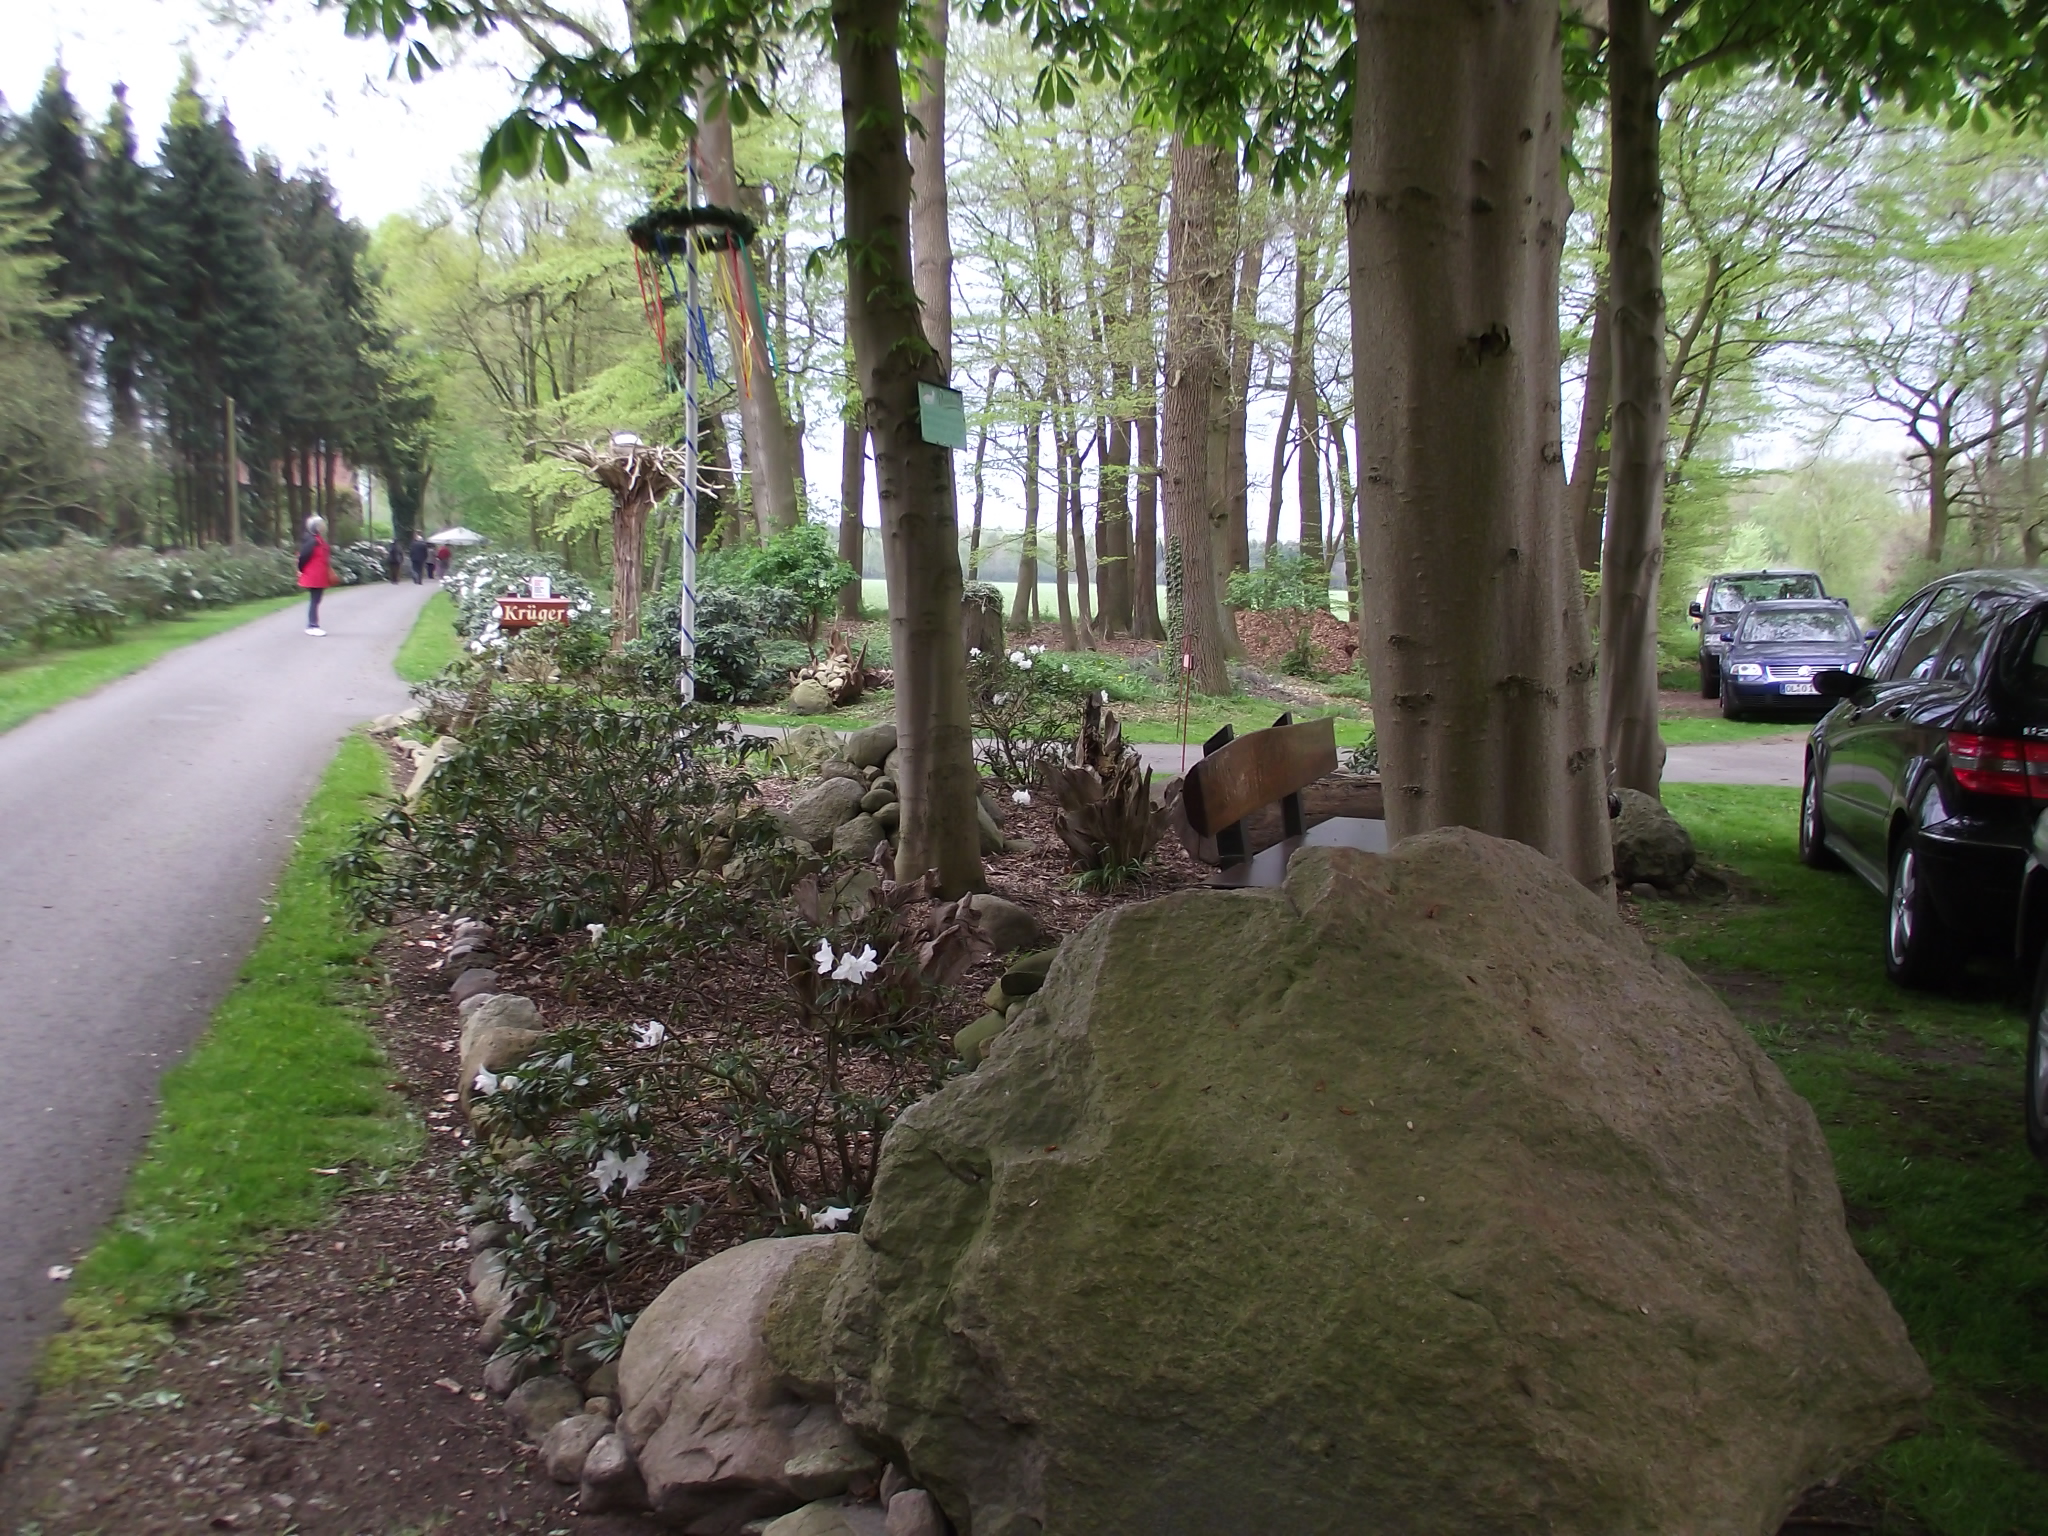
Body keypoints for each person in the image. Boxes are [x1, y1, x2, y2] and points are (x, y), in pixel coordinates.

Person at [297, 515, 334, 636]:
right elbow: (303, 557)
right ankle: (312, 625)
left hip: (319, 574)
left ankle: (312, 625)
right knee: (315, 600)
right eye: (321, 524)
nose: (323, 526)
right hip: (314, 575)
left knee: (316, 600)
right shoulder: (313, 541)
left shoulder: (318, 540)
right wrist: (301, 570)